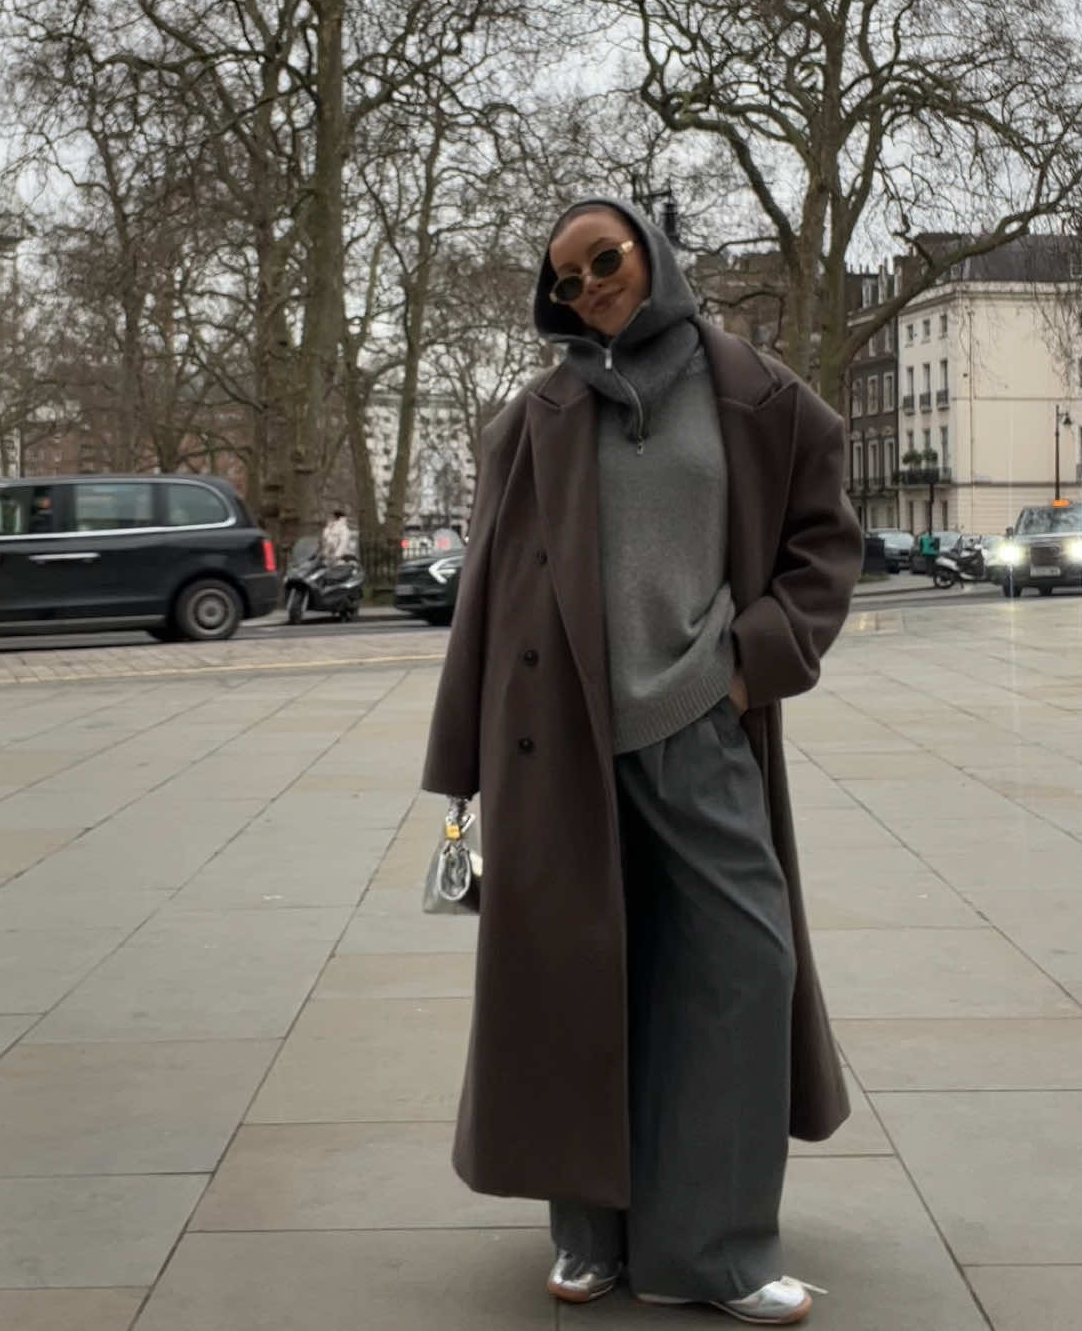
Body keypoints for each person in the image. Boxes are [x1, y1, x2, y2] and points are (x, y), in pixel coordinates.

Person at [422, 198, 862, 1325]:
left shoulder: (756, 394)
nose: (589, 288)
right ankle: (590, 1234)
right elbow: (484, 594)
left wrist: (746, 665)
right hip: (553, 743)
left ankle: (713, 1249)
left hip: (700, 726)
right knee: (574, 978)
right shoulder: (532, 418)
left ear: (652, 257)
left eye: (604, 261)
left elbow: (824, 545)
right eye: (565, 279)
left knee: (740, 973)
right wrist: (459, 764)